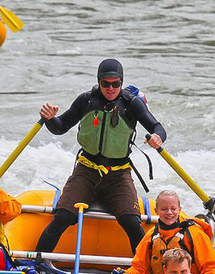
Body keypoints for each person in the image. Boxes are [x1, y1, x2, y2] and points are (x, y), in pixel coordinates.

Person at [35, 58, 168, 255]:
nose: (111, 88)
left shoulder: (132, 104)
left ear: (121, 82)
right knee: (63, 217)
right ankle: (37, 264)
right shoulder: (86, 100)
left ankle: (146, 267)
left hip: (118, 175)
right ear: (99, 82)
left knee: (132, 222)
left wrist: (157, 137)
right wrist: (49, 119)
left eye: (116, 83)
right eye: (105, 83)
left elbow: (158, 127)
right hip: (86, 171)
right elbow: (60, 127)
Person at [111, 190, 215, 274]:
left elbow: (212, 268)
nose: (169, 213)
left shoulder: (194, 234)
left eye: (173, 209)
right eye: (164, 209)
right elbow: (140, 270)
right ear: (156, 211)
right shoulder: (151, 236)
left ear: (179, 210)